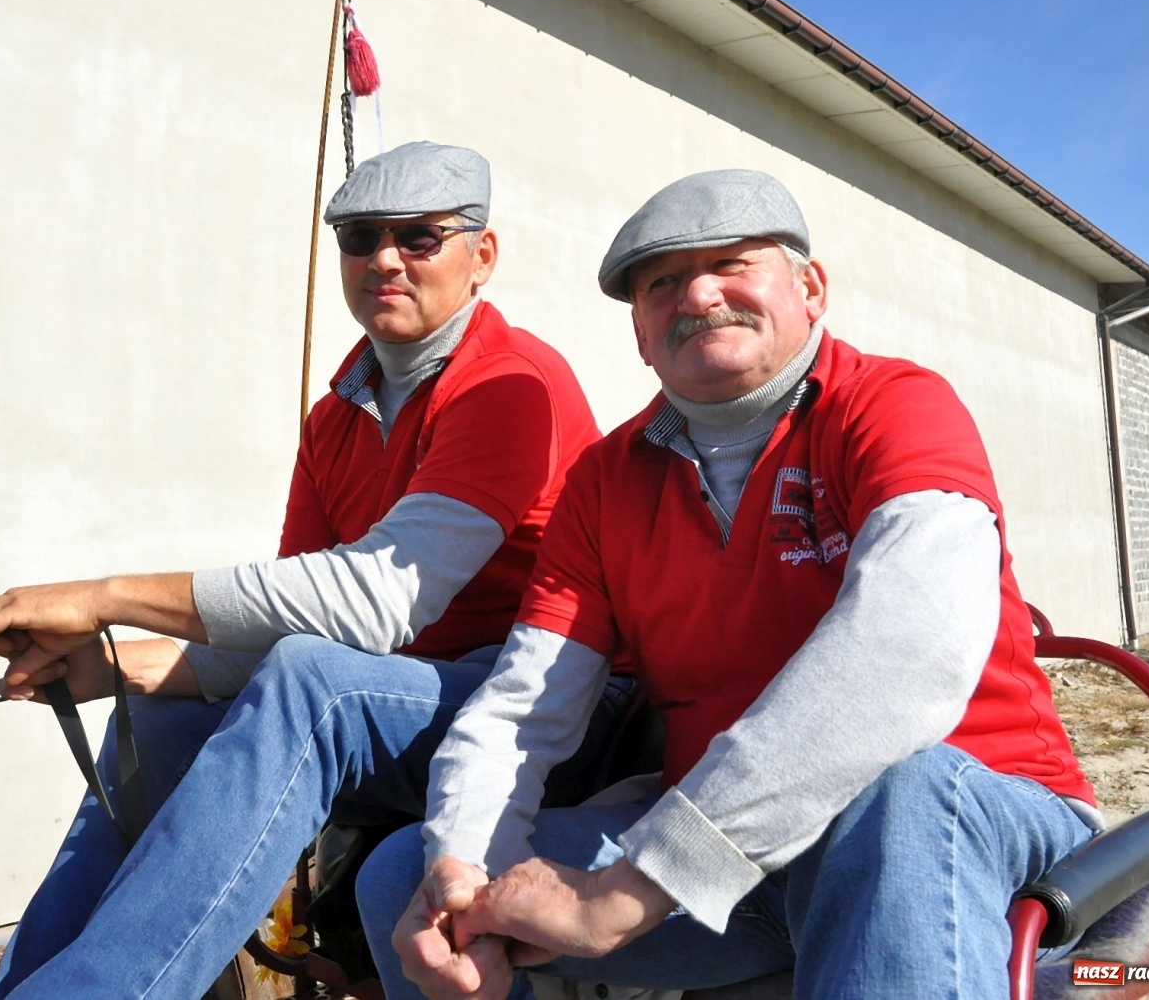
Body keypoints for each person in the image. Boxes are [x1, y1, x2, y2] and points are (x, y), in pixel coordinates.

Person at [358, 169, 1100, 1000]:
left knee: (899, 793)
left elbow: (905, 659)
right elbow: (525, 704)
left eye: (734, 264)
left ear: (811, 287)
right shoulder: (604, 481)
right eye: (662, 282)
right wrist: (464, 871)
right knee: (403, 878)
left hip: (978, 818)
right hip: (727, 868)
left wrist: (628, 891)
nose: (699, 295)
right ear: (640, 332)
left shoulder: (896, 406)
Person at [0, 141, 620, 998]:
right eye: (359, 235)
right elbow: (291, 625)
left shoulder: (511, 385)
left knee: (320, 683)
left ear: (481, 255)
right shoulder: (335, 415)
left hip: (549, 710)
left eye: (420, 236)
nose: (384, 256)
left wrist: (101, 598)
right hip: (414, 699)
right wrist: (117, 662)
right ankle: (29, 985)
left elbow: (375, 603)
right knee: (155, 722)